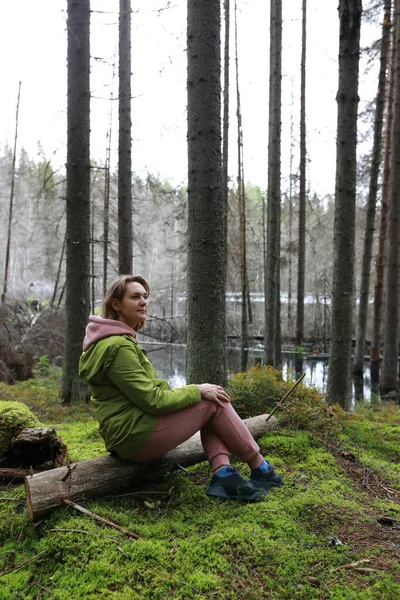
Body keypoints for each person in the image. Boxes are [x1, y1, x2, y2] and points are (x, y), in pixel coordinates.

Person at [79, 275, 282, 501]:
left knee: (209, 398)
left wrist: (195, 391)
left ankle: (225, 475)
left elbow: (144, 394)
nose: (144, 302)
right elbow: (152, 400)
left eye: (145, 297)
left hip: (128, 432)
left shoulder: (111, 342)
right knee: (211, 401)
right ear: (116, 304)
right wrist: (197, 390)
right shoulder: (118, 347)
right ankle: (261, 468)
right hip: (133, 435)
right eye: (135, 297)